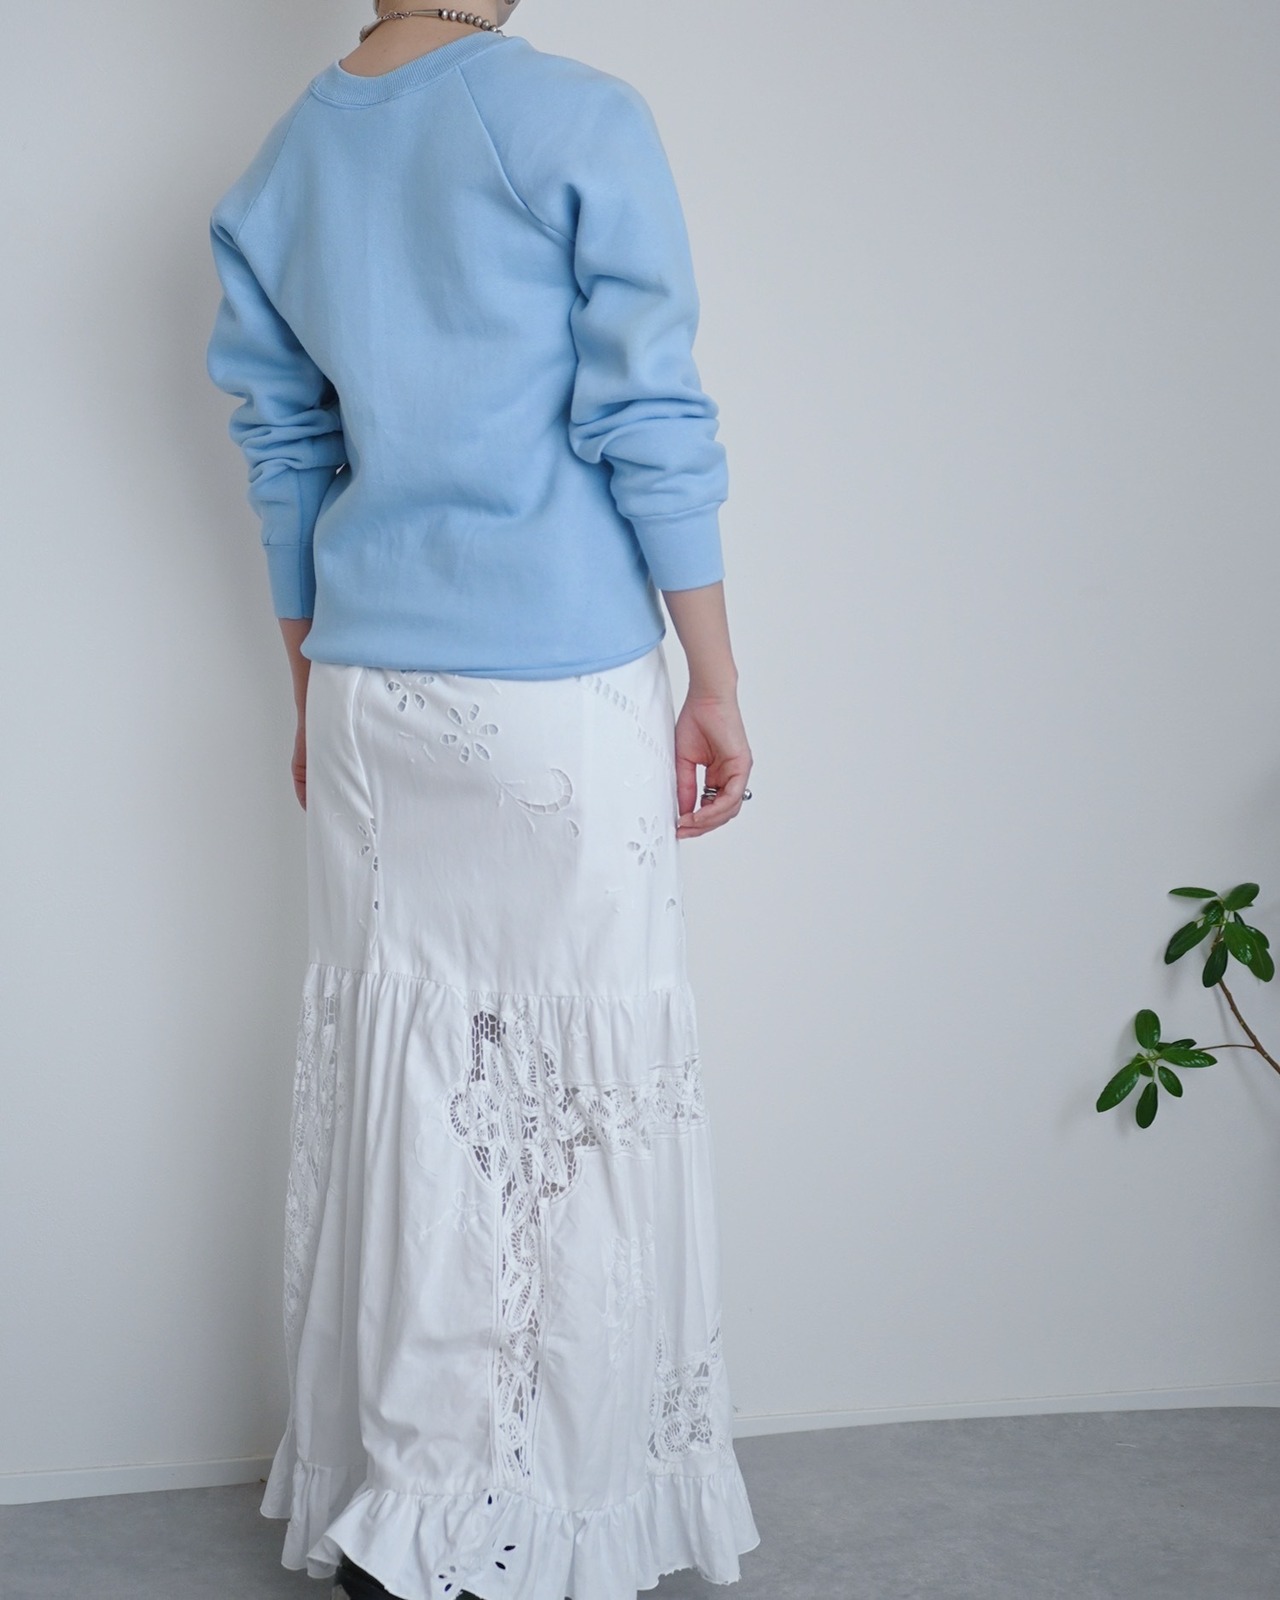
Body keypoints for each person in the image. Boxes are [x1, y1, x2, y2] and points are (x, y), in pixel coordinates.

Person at [204, 5, 759, 1597]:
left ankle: (411, 1502)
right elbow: (649, 410)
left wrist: (310, 687)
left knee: (413, 1083)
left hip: (368, 689)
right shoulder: (575, 115)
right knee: (572, 1102)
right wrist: (714, 677)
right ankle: (532, 1519)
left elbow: (284, 447)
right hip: (553, 688)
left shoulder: (286, 159)